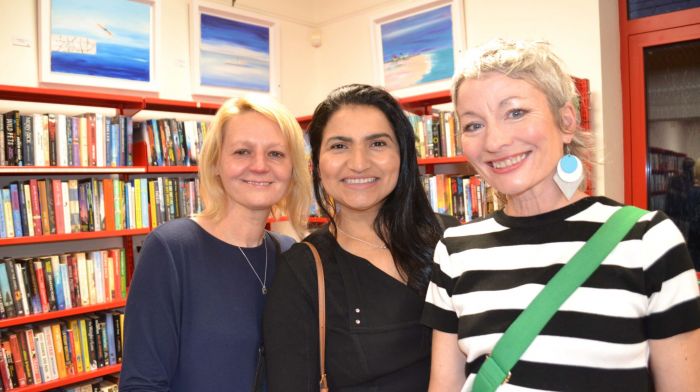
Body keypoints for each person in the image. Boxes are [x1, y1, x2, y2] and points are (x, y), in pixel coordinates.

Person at [422, 39, 700, 391]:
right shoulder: (455, 249)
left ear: (566, 120)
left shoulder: (648, 240)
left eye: (516, 112)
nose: (494, 141)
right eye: (473, 124)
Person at [263, 84, 453, 391]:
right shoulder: (304, 271)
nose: (359, 163)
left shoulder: (448, 237)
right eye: (339, 146)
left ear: (402, 154)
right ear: (317, 163)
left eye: (377, 143)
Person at [119, 95, 312, 391]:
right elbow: (142, 383)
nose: (260, 166)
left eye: (276, 154)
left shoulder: (292, 254)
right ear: (216, 164)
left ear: (293, 169)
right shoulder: (172, 249)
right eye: (242, 151)